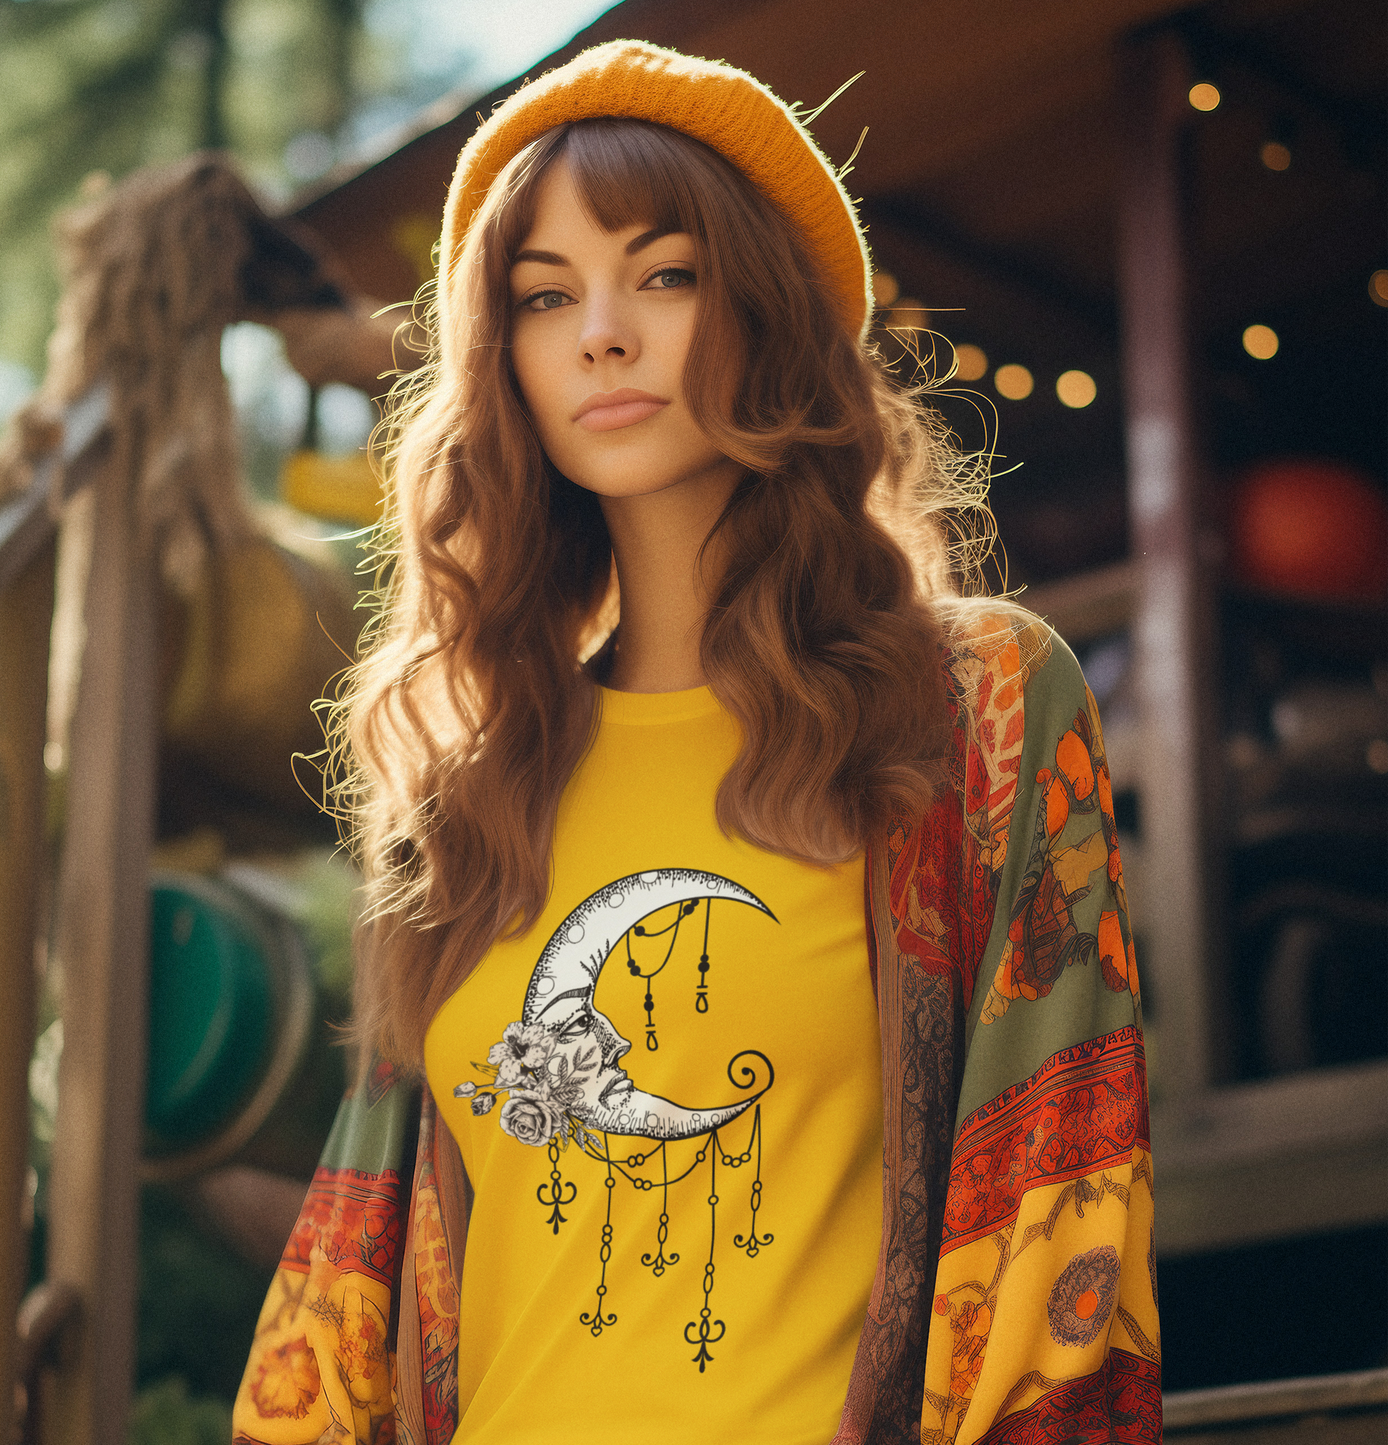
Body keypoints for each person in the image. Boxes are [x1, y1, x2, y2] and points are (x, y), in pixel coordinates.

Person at [232, 40, 1159, 1445]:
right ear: (505, 364)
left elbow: (1061, 1199)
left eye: (663, 273)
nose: (602, 332)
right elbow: (361, 1283)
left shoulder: (970, 710)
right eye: (545, 298)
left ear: (768, 309)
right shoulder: (471, 789)